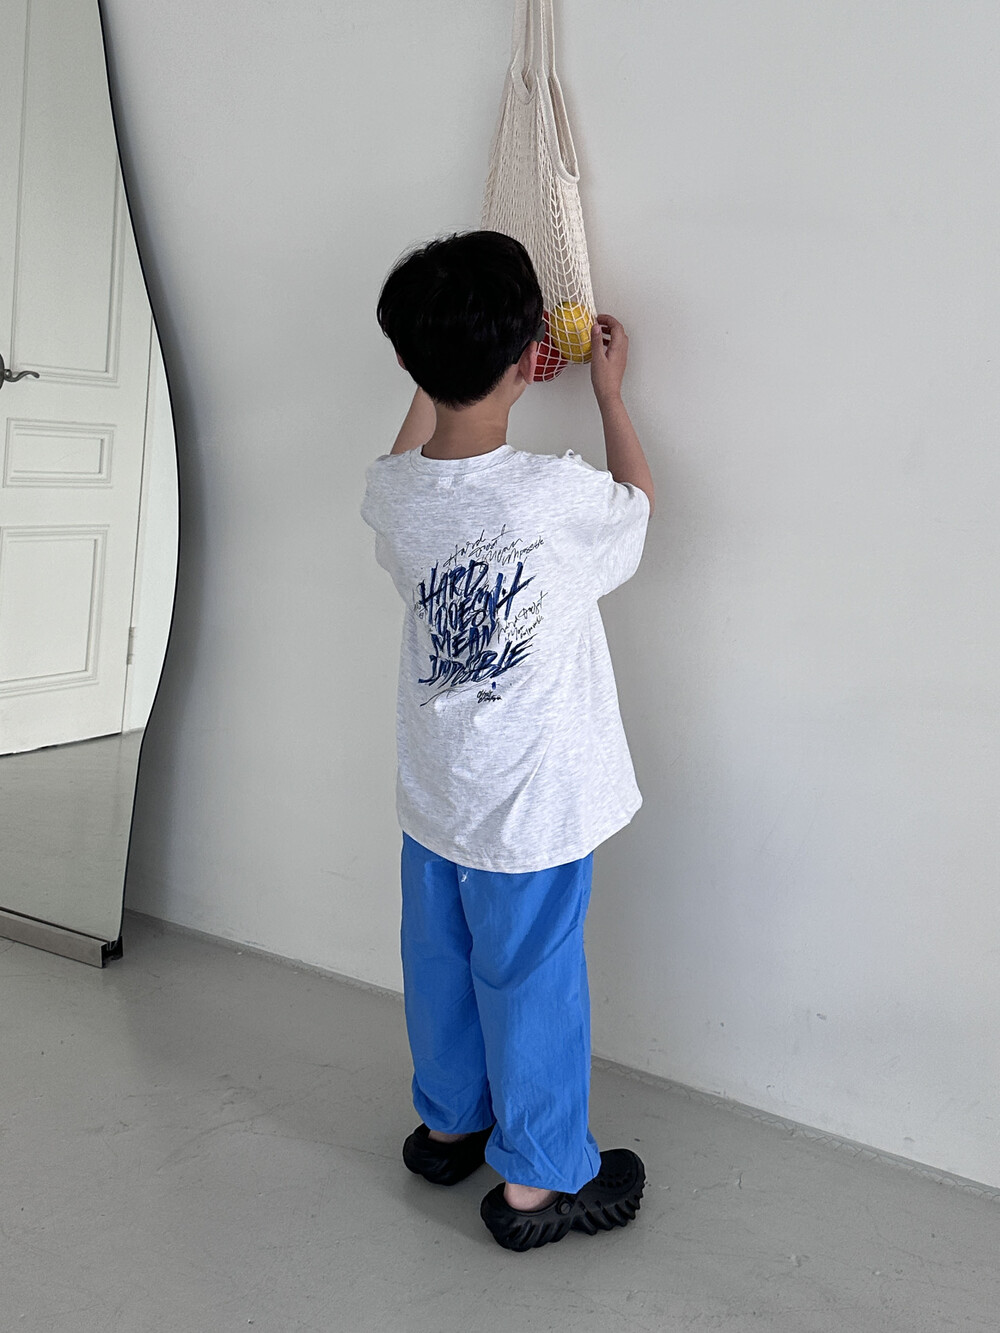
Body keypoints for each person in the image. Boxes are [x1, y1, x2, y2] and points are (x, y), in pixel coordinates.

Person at [360, 230, 654, 1252]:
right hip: (531, 803)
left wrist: (451, 376)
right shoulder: (552, 494)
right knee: (531, 981)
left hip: (436, 794)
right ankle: (537, 1179)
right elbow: (636, 511)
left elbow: (411, 452)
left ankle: (449, 1125)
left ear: (408, 360)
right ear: (533, 351)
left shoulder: (394, 493)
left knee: (438, 959)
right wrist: (608, 394)